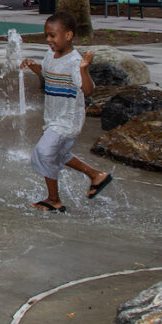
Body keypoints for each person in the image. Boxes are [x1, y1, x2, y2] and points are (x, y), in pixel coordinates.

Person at [20, 12, 112, 213]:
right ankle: (96, 175)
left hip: (68, 121)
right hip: (53, 118)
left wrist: (84, 69)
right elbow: (47, 73)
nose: (48, 40)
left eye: (53, 35)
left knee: (44, 152)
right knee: (58, 154)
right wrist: (32, 65)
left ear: (68, 35)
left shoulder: (74, 62)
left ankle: (54, 200)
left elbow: (88, 90)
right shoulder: (50, 55)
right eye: (47, 35)